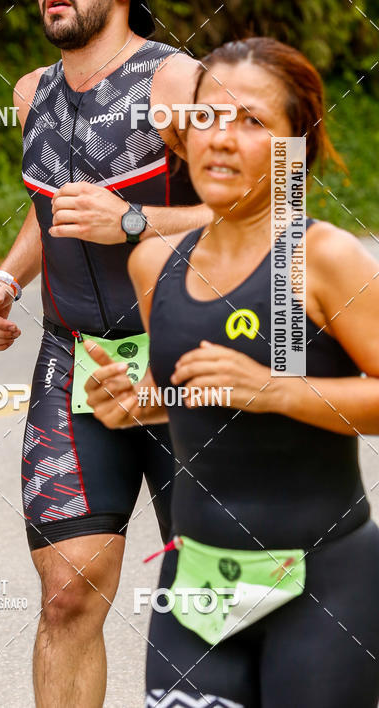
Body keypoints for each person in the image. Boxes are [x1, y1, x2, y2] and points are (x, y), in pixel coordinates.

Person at [85, 37, 379, 707]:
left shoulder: (323, 256)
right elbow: (194, 393)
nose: (222, 139)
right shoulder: (155, 263)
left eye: (252, 121)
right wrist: (138, 404)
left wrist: (278, 390)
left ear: (292, 148)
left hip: (324, 585)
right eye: (208, 116)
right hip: (198, 588)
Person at [0, 0, 211, 707]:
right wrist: (7, 281)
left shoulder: (176, 82)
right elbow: (48, 212)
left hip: (188, 359)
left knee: (220, 595)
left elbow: (266, 203)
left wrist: (133, 220)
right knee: (68, 591)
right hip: (75, 358)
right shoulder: (28, 93)